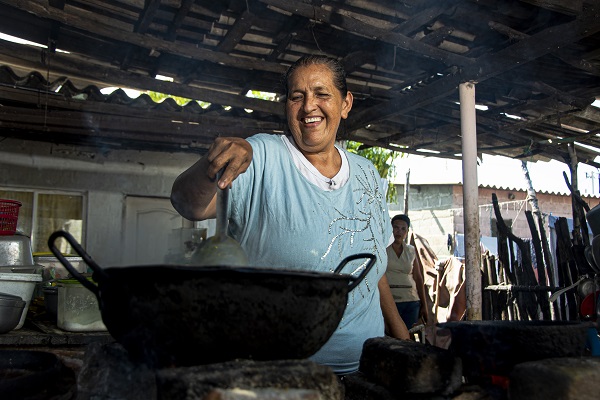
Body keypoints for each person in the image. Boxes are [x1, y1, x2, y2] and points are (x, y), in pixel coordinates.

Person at [170, 54, 409, 375]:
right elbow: (188, 204)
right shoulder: (261, 155)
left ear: (345, 103)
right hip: (281, 375)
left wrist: (402, 338)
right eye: (297, 97)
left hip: (367, 369)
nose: (309, 106)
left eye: (321, 94)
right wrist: (211, 165)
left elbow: (375, 267)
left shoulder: (367, 173)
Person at [386, 214, 429, 329]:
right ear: (390, 229)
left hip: (411, 301)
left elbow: (418, 278)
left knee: (407, 336)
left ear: (407, 231)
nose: (399, 232)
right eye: (396, 228)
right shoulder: (383, 249)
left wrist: (424, 305)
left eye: (403, 229)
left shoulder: (411, 250)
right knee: (391, 335)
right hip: (389, 301)